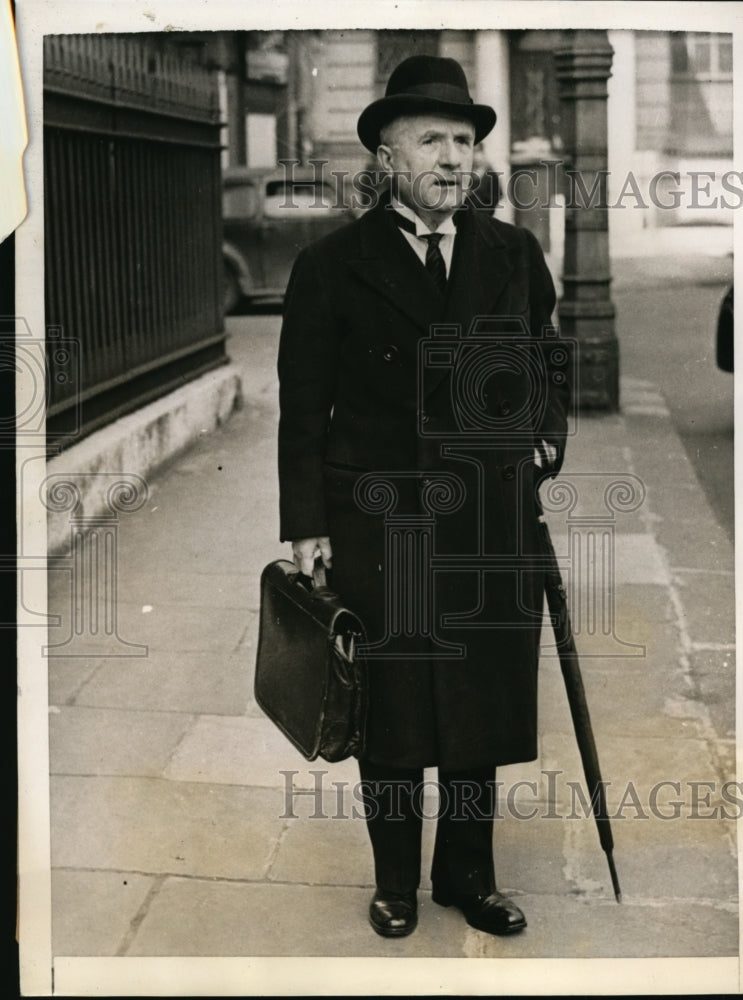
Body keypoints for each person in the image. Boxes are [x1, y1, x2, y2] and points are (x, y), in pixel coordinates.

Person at [277, 55, 571, 939]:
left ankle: (467, 878)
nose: (454, 157)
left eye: (465, 141)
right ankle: (396, 882)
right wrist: (305, 525)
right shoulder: (332, 265)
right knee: (394, 711)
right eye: (433, 139)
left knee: (479, 707)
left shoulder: (511, 252)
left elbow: (545, 352)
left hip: (488, 516)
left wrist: (545, 433)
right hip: (380, 523)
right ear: (387, 156)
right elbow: (303, 406)